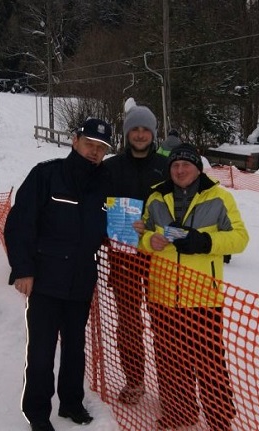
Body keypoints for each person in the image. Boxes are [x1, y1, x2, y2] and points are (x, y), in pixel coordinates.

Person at [3, 118, 113, 431]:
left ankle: (71, 403)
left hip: (81, 280)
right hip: (45, 279)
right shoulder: (46, 174)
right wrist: (23, 269)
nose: (94, 152)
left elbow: (105, 225)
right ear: (75, 140)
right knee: (41, 351)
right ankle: (37, 414)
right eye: (90, 144)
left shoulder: (104, 182)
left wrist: (125, 229)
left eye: (101, 148)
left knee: (75, 349)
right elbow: (20, 224)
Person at [139, 143, 249, 431]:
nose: (180, 170)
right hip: (161, 295)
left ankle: (219, 420)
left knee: (210, 365)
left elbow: (240, 238)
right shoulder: (155, 197)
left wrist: (206, 242)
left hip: (203, 297)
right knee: (169, 361)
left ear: (198, 169)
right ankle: (180, 413)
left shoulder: (219, 198)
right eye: (175, 165)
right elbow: (143, 235)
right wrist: (150, 241)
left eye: (186, 165)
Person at [103, 104, 169, 405]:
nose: (140, 134)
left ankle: (171, 387)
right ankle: (134, 381)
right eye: (135, 129)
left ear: (153, 133)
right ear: (127, 133)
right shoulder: (110, 166)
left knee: (165, 325)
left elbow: (182, 207)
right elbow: (97, 205)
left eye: (146, 129)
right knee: (128, 323)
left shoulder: (168, 165)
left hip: (160, 257)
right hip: (124, 257)